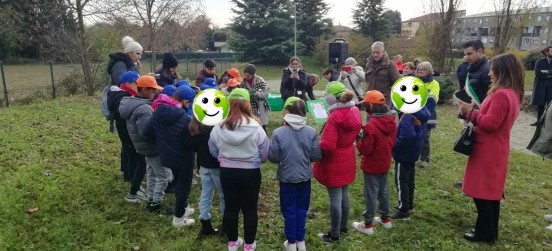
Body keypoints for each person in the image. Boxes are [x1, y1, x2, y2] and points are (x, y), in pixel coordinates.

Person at [457, 53, 524, 242]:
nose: (489, 73)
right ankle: (489, 230)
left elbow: (491, 123)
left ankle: (485, 233)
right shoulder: (512, 93)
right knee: (490, 193)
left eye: (493, 69)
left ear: (502, 71)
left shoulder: (502, 94)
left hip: (487, 149)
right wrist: (471, 112)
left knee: (482, 193)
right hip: (495, 147)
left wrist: (470, 113)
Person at [209, 88, 270, 251]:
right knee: (250, 209)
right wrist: (255, 160)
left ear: (230, 103)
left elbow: (213, 149)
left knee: (230, 207)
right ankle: (249, 245)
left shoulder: (218, 126)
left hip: (227, 172)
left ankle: (233, 243)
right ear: (247, 104)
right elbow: (265, 153)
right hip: (250, 173)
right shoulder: (256, 127)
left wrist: (224, 159)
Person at [268, 97, 322, 251]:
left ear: (287, 111)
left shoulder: (278, 132)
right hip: (304, 176)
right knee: (302, 209)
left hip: (286, 177)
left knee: (289, 209)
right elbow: (316, 156)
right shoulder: (311, 131)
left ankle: (291, 242)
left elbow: (273, 157)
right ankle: (300, 240)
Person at [313, 82, 362, 243]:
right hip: (348, 155)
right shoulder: (355, 110)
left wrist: (318, 145)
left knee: (335, 199)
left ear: (330, 99)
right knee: (344, 196)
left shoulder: (334, 118)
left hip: (334, 160)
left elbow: (328, 146)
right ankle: (343, 227)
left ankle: (334, 234)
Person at [119, 76, 173, 215]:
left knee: (152, 173)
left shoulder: (131, 103)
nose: (154, 93)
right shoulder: (144, 108)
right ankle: (156, 203)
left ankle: (150, 199)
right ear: (143, 90)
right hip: (152, 147)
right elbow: (146, 132)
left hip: (142, 148)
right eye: (152, 90)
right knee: (163, 175)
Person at [151, 85, 197, 227]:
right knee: (183, 187)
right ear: (185, 102)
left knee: (177, 183)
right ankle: (178, 219)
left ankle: (183, 208)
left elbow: (147, 131)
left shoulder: (157, 112)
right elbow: (191, 144)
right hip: (183, 158)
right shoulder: (185, 120)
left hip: (167, 156)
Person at [352, 90, 397, 235]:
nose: (365, 108)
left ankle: (368, 224)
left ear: (371, 107)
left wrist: (358, 141)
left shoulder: (370, 126)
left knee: (370, 193)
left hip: (371, 164)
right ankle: (385, 219)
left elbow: (365, 149)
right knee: (384, 191)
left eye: (366, 106)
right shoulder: (391, 121)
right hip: (385, 161)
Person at [453, 40, 491, 189]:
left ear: (480, 51)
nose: (467, 57)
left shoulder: (486, 70)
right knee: (473, 149)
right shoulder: (471, 66)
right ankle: (471, 181)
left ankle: (480, 183)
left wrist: (478, 110)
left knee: (479, 150)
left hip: (480, 114)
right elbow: (463, 80)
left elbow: (489, 95)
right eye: (465, 54)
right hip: (471, 112)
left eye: (470, 54)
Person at [107, 71, 147, 202]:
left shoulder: (124, 95)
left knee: (133, 159)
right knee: (140, 161)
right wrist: (130, 138)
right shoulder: (122, 99)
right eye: (137, 83)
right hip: (128, 135)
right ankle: (134, 192)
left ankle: (134, 182)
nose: (139, 86)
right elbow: (124, 121)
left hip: (128, 135)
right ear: (127, 84)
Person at [107, 36, 143, 181]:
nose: (139, 56)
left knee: (127, 138)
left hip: (127, 100)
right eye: (137, 53)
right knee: (127, 139)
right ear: (130, 53)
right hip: (122, 101)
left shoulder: (128, 63)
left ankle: (127, 170)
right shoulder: (120, 64)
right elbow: (121, 81)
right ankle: (129, 174)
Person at [391, 106, 430, 220]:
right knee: (410, 179)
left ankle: (403, 210)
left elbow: (407, 136)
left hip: (403, 154)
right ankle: (409, 204)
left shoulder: (408, 116)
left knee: (401, 181)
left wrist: (394, 145)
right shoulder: (423, 111)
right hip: (414, 152)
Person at [190, 114, 225, 237]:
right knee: (223, 196)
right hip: (217, 166)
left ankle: (205, 225)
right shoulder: (217, 129)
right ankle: (225, 226)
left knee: (205, 195)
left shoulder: (194, 128)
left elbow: (194, 149)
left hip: (204, 166)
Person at [416, 62, 440, 169]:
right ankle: (415, 156)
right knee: (414, 136)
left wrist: (421, 113)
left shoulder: (434, 83)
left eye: (423, 69)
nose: (420, 71)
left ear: (429, 71)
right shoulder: (414, 82)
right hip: (413, 114)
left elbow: (432, 100)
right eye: (419, 69)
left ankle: (425, 159)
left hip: (427, 115)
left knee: (425, 137)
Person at [364, 41, 401, 108]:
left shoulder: (390, 65)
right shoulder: (369, 65)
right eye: (373, 52)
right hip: (370, 101)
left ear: (383, 52)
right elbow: (367, 81)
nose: (375, 55)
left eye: (378, 52)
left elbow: (397, 83)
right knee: (370, 119)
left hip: (384, 102)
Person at [241, 64, 270, 132]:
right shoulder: (243, 83)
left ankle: (264, 140)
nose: (246, 77)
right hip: (250, 106)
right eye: (245, 75)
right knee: (252, 125)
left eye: (248, 75)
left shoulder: (260, 80)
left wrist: (256, 94)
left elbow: (266, 94)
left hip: (260, 106)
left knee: (262, 125)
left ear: (253, 74)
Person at [530, 46, 552, 125]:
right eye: (551, 51)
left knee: (550, 105)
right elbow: (538, 73)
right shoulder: (539, 61)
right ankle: (539, 121)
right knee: (540, 104)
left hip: (550, 87)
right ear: (546, 52)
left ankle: (548, 122)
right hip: (541, 86)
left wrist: (545, 72)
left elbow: (542, 73)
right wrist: (549, 73)